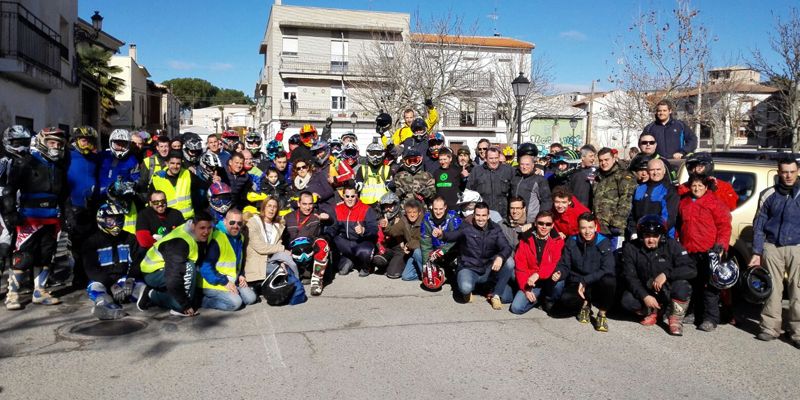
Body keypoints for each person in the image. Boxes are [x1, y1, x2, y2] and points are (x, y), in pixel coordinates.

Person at [3, 127, 71, 309]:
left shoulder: (59, 167)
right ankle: (12, 294)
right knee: (23, 256)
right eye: (51, 142)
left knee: (46, 256)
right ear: (42, 142)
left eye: (59, 144)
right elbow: (9, 190)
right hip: (29, 219)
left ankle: (39, 291)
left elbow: (64, 195)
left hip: (51, 219)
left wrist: (67, 217)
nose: (55, 146)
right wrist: (11, 213)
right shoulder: (26, 162)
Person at [750, 157, 800, 346]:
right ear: (779, 173)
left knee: (798, 290)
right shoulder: (768, 194)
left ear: (798, 172)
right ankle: (770, 328)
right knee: (773, 289)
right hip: (772, 247)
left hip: (797, 247)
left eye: (792, 172)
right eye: (784, 172)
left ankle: (797, 332)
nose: (788, 176)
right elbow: (759, 225)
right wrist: (757, 252)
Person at [621, 215, 697, 336]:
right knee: (627, 300)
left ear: (661, 236)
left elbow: (691, 269)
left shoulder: (672, 245)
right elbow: (630, 277)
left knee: (682, 286)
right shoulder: (631, 248)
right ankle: (652, 311)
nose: (651, 240)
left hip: (667, 289)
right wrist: (645, 296)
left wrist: (666, 274)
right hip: (646, 288)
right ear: (641, 236)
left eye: (655, 236)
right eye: (647, 236)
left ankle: (675, 318)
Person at [678, 174, 732, 332]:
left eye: (700, 186)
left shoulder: (715, 202)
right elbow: (680, 224)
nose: (697, 189)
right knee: (692, 283)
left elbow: (724, 226)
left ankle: (711, 318)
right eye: (694, 186)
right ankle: (694, 313)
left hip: (709, 251)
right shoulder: (684, 202)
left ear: (706, 187)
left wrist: (721, 245)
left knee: (710, 287)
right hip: (689, 249)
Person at [437, 202, 513, 310]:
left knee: (509, 263)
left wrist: (500, 257)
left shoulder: (495, 229)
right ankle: (471, 290)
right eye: (478, 215)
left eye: (483, 215)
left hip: (488, 270)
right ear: (474, 215)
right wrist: (442, 235)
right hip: (469, 267)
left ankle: (495, 295)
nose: (480, 219)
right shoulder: (466, 226)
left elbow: (506, 247)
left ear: (488, 216)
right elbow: (453, 235)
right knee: (465, 288)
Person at [136, 212, 214, 316]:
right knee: (189, 267)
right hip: (153, 273)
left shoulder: (192, 231)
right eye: (202, 228)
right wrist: (185, 304)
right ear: (193, 226)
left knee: (189, 270)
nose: (206, 232)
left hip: (168, 267)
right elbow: (173, 277)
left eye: (209, 228)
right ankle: (150, 294)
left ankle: (166, 293)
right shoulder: (180, 243)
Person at [552, 212, 616, 332]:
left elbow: (608, 268)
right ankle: (585, 305)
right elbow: (565, 264)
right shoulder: (572, 241)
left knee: (610, 281)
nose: (587, 232)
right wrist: (559, 272)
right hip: (577, 281)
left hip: (596, 281)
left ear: (596, 227)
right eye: (583, 228)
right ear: (578, 228)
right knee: (564, 302)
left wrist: (586, 280)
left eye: (590, 227)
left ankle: (602, 314)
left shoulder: (603, 241)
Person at [81, 203, 142, 320]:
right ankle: (105, 309)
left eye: (119, 220)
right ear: (101, 220)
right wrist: (111, 285)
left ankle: (158, 299)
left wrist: (131, 278)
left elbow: (137, 261)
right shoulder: (91, 242)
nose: (116, 225)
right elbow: (91, 270)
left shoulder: (130, 238)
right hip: (102, 281)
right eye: (110, 221)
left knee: (142, 289)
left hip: (124, 280)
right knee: (97, 291)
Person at [199, 209, 256, 311]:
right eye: (232, 222)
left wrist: (241, 274)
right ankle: (202, 301)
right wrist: (225, 282)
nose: (236, 226)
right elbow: (205, 268)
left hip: (232, 280)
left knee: (251, 298)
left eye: (239, 223)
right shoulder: (217, 238)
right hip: (213, 282)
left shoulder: (240, 237)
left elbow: (237, 262)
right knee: (236, 303)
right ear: (225, 222)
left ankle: (233, 293)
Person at [511, 211, 565, 314]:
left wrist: (538, 274)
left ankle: (549, 300)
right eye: (541, 223)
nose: (544, 227)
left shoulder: (558, 241)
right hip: (531, 281)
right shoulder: (525, 240)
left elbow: (555, 263)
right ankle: (539, 299)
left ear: (552, 225)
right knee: (516, 308)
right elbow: (520, 267)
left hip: (548, 279)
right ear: (535, 224)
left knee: (559, 281)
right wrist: (526, 288)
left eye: (548, 224)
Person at [66, 126, 101, 288]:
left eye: (90, 141)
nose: (87, 143)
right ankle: (78, 276)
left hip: (92, 206)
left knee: (92, 244)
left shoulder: (94, 158)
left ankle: (89, 274)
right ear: (77, 140)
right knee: (77, 245)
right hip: (74, 206)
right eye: (84, 140)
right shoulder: (68, 155)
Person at [283, 191, 331, 296]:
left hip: (310, 249)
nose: (308, 207)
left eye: (310, 204)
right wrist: (284, 249)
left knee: (322, 244)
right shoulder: (288, 217)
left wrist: (327, 217)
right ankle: (295, 275)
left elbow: (331, 221)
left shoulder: (316, 214)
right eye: (304, 204)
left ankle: (317, 280)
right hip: (293, 251)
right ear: (298, 203)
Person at [593, 147, 637, 247]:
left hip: (615, 228)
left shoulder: (623, 175)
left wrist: (617, 223)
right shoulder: (598, 176)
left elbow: (626, 200)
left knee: (615, 254)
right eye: (601, 160)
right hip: (599, 227)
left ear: (613, 159)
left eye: (606, 160)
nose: (604, 163)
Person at [627, 158, 679, 240]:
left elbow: (669, 217)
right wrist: (633, 231)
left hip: (662, 237)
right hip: (640, 236)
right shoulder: (639, 188)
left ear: (664, 171)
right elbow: (632, 214)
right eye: (652, 170)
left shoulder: (670, 190)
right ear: (648, 171)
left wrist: (654, 234)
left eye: (658, 169)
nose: (655, 173)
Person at [332, 186, 379, 277]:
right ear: (343, 196)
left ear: (357, 196)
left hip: (362, 242)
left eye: (352, 196)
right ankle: (348, 260)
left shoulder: (366, 209)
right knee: (331, 240)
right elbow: (333, 227)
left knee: (364, 251)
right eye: (347, 196)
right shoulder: (338, 208)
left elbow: (374, 229)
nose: (350, 199)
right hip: (346, 242)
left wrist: (364, 230)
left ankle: (365, 267)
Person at [244, 197, 293, 284]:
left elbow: (277, 247)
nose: (272, 209)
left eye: (275, 207)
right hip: (257, 264)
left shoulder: (278, 226)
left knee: (288, 268)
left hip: (272, 261)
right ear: (263, 208)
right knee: (287, 274)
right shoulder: (253, 222)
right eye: (269, 206)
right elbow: (260, 247)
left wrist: (282, 261)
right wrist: (282, 249)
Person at [467, 147, 514, 218]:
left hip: (503, 215)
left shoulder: (508, 171)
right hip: (482, 215)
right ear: (485, 159)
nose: (494, 161)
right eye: (491, 158)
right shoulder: (476, 171)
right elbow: (469, 191)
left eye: (496, 158)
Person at [150, 151, 198, 220]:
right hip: (168, 220)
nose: (175, 166)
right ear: (167, 163)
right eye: (172, 163)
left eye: (178, 164)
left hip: (188, 219)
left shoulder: (187, 174)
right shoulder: (157, 178)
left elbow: (202, 188)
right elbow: (150, 200)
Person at [383, 198, 423, 279]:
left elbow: (423, 241)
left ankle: (427, 275)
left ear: (419, 213)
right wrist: (386, 226)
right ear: (406, 213)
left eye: (414, 212)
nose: (412, 215)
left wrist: (408, 245)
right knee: (406, 276)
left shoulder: (424, 221)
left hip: (424, 252)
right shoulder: (404, 220)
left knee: (417, 252)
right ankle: (421, 274)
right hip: (411, 252)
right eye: (409, 212)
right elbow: (393, 231)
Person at [99, 129, 141, 200]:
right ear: (111, 143)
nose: (120, 147)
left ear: (128, 145)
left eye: (123, 144)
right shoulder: (102, 156)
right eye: (117, 144)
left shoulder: (132, 160)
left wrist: (127, 186)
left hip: (121, 198)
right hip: (100, 197)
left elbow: (136, 179)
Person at [511, 154, 552, 223]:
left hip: (531, 220)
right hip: (514, 218)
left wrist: (541, 219)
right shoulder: (515, 178)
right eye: (522, 164)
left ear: (533, 165)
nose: (524, 167)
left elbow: (546, 201)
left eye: (527, 164)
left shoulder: (540, 180)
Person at [356, 142, 392, 206]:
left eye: (378, 153)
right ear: (368, 154)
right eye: (372, 153)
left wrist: (391, 185)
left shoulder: (387, 169)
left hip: (382, 205)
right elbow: (358, 185)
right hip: (365, 205)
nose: (375, 156)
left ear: (383, 154)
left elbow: (390, 187)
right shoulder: (362, 169)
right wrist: (357, 185)